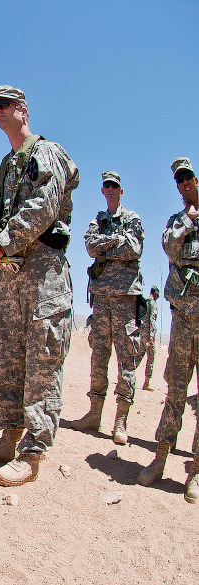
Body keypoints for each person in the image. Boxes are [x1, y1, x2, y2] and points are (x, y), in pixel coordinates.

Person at [0, 85, 79, 487]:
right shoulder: (6, 165)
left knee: (42, 363)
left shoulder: (45, 153)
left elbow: (42, 207)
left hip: (44, 273)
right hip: (11, 273)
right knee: (10, 357)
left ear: (23, 110)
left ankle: (32, 455)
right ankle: (9, 437)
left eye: (3, 106)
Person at [137, 157, 199, 503]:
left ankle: (195, 472)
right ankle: (160, 458)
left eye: (189, 177)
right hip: (184, 320)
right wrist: (189, 219)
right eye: (179, 180)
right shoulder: (178, 221)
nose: (185, 183)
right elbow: (170, 247)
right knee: (175, 391)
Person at [70, 171, 145, 444]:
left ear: (121, 191)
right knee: (98, 355)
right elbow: (90, 246)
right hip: (101, 298)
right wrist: (115, 241)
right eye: (107, 186)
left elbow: (134, 249)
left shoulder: (132, 219)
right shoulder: (97, 220)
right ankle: (94, 414)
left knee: (127, 358)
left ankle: (121, 421)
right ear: (102, 191)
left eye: (115, 186)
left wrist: (106, 244)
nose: (110, 189)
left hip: (126, 298)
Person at [141, 284, 160, 390]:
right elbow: (152, 319)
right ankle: (146, 383)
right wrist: (152, 336)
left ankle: (126, 375)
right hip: (148, 335)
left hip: (141, 333)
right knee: (151, 357)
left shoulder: (144, 301)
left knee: (138, 355)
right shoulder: (152, 303)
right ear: (155, 293)